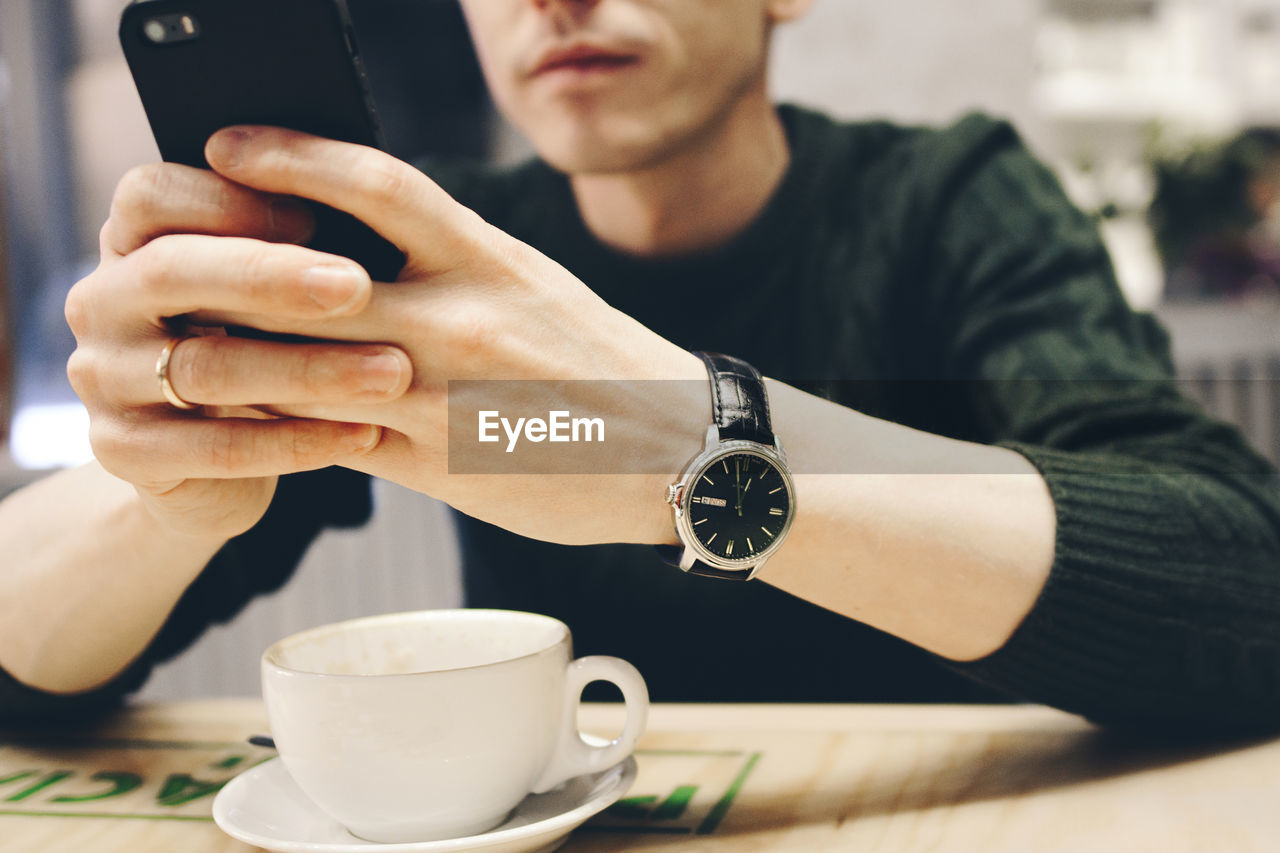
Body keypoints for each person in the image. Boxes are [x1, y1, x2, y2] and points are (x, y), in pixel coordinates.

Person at [2, 0, 1279, 732]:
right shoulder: (435, 266)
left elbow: (1237, 588)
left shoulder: (945, 199)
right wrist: (174, 492)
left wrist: (676, 442)